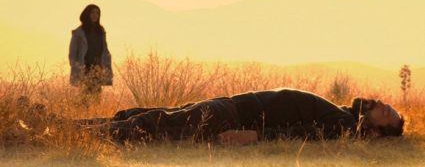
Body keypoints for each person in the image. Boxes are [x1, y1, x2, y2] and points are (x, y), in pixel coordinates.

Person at [81, 87, 404, 145]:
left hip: (229, 115)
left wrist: (256, 135)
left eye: (388, 113)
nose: (385, 105)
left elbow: (306, 133)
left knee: (146, 126)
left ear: (376, 131)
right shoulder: (344, 113)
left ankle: (59, 130)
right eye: (387, 105)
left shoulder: (343, 126)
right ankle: (58, 126)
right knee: (143, 116)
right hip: (227, 106)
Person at [68, 4, 113, 97]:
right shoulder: (78, 33)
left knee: (96, 96)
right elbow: (72, 54)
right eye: (92, 12)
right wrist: (78, 68)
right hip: (84, 68)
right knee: (85, 96)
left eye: (97, 13)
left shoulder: (100, 31)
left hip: (98, 68)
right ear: (87, 14)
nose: (95, 15)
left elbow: (105, 50)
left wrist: (106, 66)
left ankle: (94, 111)